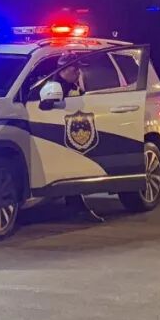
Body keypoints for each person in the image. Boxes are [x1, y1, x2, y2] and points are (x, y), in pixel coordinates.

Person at [54, 53, 104, 224]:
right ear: (64, 69)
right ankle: (77, 208)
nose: (78, 72)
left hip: (72, 135)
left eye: (79, 68)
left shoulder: (73, 85)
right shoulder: (54, 87)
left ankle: (77, 206)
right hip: (56, 136)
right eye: (75, 68)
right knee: (71, 168)